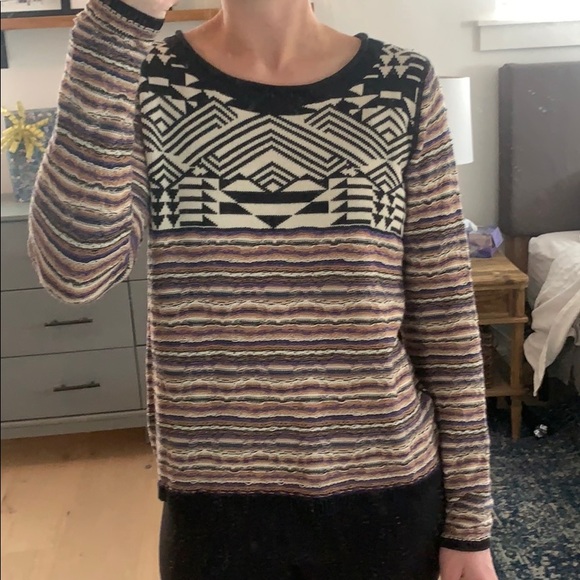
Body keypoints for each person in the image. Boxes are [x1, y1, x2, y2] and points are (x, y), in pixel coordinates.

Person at [27, 0, 499, 578]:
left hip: (387, 495)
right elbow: (74, 271)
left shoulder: (401, 85)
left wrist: (470, 520)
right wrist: (116, 23)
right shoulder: (143, 78)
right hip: (214, 506)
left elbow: (445, 314)